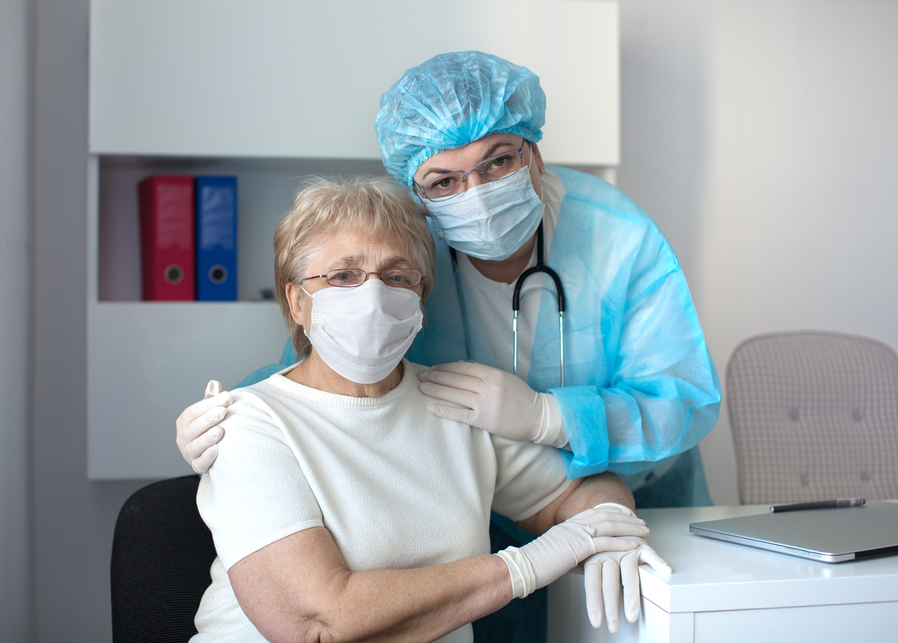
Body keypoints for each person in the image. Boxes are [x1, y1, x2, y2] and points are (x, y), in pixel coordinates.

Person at [178, 51, 721, 634]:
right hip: (484, 552)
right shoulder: (414, 234)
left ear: (535, 155)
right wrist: (228, 422)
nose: (476, 194)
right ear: (420, 195)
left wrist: (554, 423)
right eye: (444, 180)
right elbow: (323, 380)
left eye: (499, 161)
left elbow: (679, 398)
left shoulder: (616, 238)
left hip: (630, 495)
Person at [190, 176, 668, 642]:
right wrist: (524, 566)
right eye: (343, 276)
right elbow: (318, 623)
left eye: (397, 276)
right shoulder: (254, 425)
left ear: (420, 299)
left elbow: (580, 490)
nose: (372, 297)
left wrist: (608, 524)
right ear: (297, 302)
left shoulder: (452, 400)